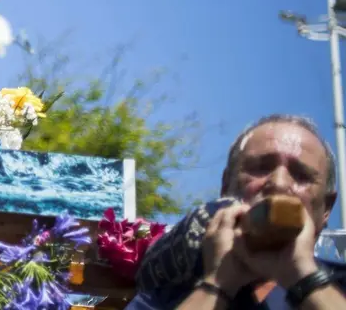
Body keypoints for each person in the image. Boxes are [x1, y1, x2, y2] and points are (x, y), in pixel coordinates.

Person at [130, 114, 346, 310]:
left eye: (301, 175)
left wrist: (305, 278)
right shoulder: (166, 293)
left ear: (326, 208)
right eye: (260, 167)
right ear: (226, 187)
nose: (278, 184)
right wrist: (217, 283)